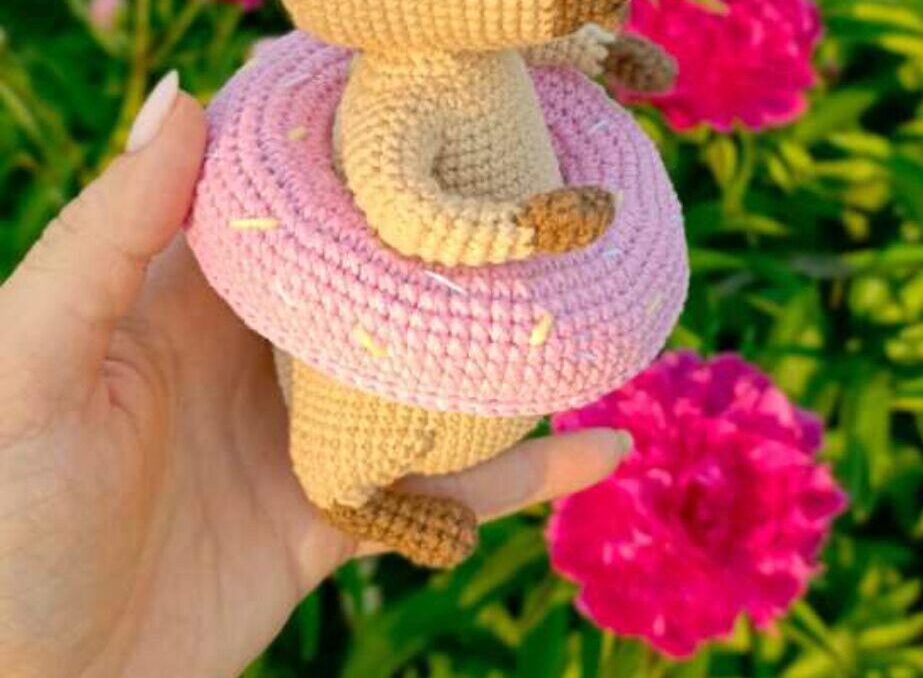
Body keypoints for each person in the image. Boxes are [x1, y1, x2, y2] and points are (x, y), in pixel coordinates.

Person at [0, 73, 631, 677]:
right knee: (341, 453)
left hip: (482, 352)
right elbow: (405, 208)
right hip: (387, 355)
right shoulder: (395, 103)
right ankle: (357, 502)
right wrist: (520, 229)